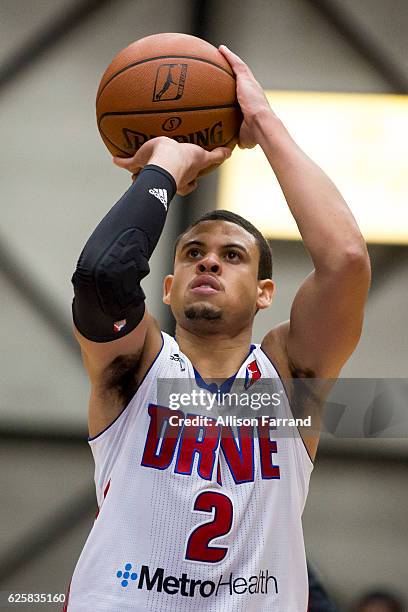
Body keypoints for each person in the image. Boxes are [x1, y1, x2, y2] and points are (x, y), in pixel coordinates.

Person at [64, 46, 371, 611]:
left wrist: (263, 124)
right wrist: (164, 167)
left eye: (232, 256)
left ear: (264, 294)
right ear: (167, 287)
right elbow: (103, 276)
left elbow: (347, 259)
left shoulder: (288, 375)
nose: (208, 262)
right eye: (192, 253)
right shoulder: (134, 369)